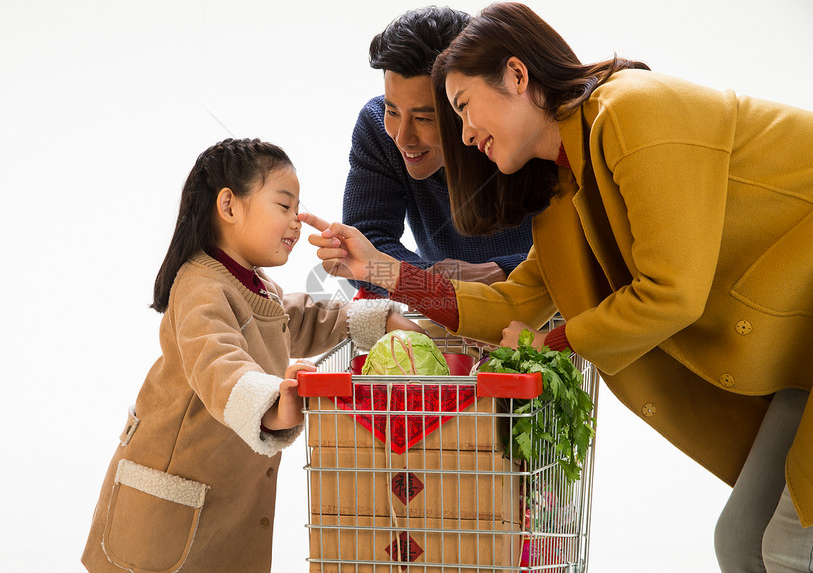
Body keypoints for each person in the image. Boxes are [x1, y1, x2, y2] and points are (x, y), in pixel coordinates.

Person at [302, 3, 813, 571]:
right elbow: (513, 302)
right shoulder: (563, 190)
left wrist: (545, 346)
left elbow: (672, 293)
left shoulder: (630, 109)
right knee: (743, 540)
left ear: (518, 77)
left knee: (789, 547)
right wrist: (379, 269)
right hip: (798, 346)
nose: (465, 135)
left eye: (463, 109)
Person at [81, 138, 415, 573]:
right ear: (230, 205)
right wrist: (278, 402)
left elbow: (300, 319)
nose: (297, 222)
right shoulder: (200, 285)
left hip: (217, 501)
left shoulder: (255, 286)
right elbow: (219, 363)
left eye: (298, 209)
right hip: (168, 507)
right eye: (284, 205)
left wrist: (373, 319)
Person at [343, 6, 535, 298]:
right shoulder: (376, 128)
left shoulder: (524, 135)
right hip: (451, 317)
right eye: (392, 110)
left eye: (424, 118)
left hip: (553, 312)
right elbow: (367, 244)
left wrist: (505, 270)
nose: (403, 138)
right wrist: (433, 282)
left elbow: (593, 251)